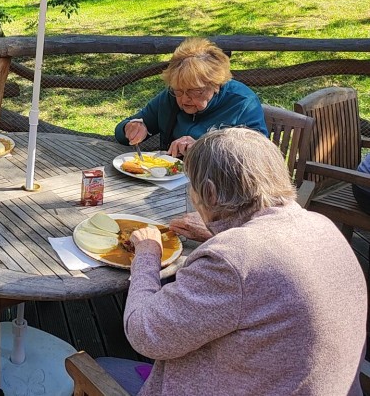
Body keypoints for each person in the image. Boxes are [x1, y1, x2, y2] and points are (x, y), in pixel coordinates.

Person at [99, 127, 367, 396]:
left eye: (190, 184)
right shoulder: (321, 224)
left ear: (210, 193)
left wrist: (147, 254)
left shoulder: (230, 260)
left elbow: (143, 332)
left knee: (101, 366)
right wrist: (220, 231)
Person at [115, 37, 267, 159]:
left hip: (220, 187)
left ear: (216, 84)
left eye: (194, 92)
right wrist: (130, 128)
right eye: (179, 91)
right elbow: (121, 132)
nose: (184, 99)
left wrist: (203, 148)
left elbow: (259, 153)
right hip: (170, 182)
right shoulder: (170, 97)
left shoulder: (242, 103)